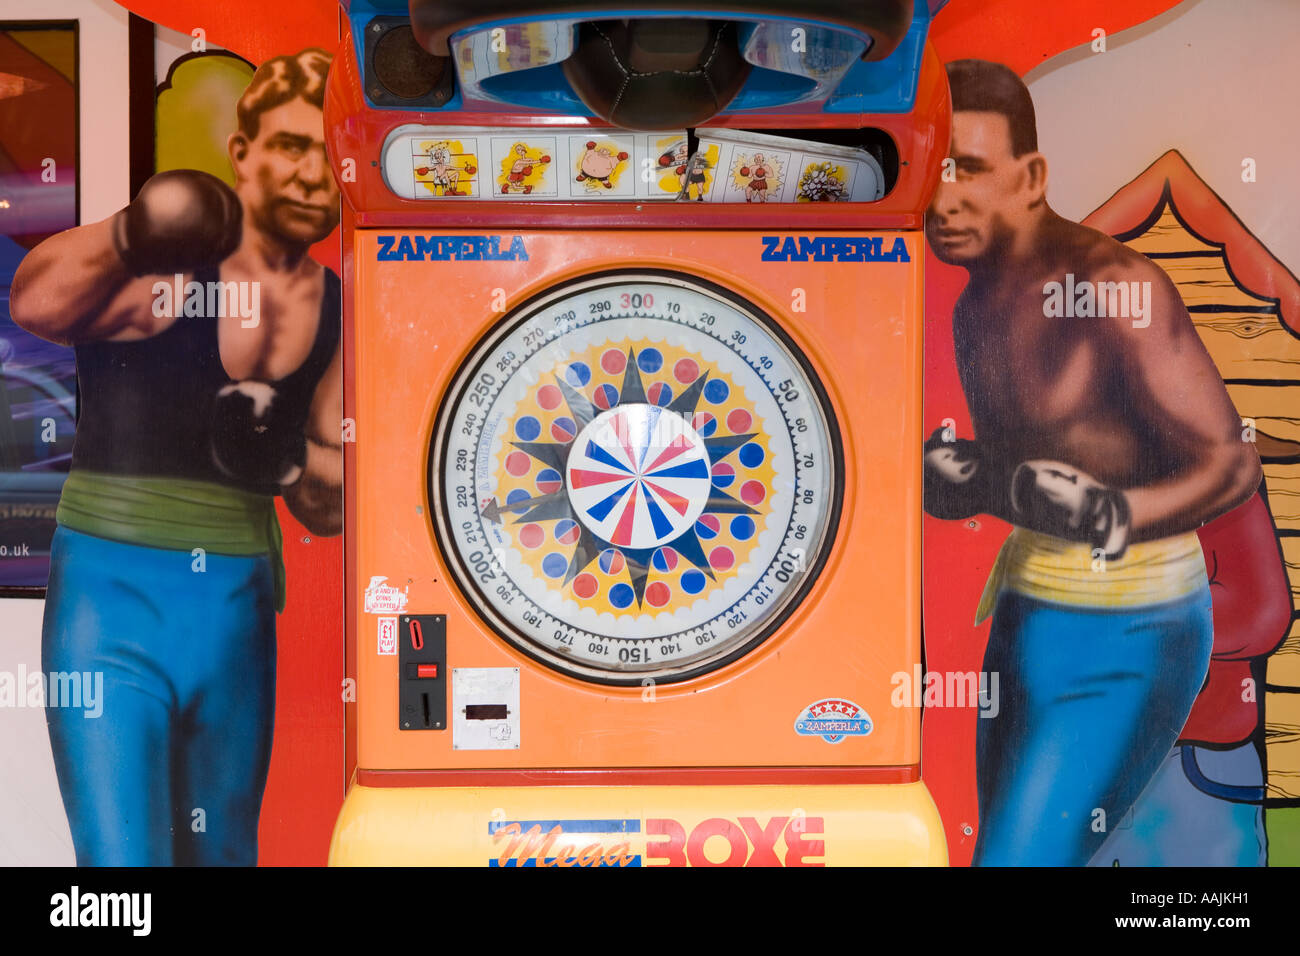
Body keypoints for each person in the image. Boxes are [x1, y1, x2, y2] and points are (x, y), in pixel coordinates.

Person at [923, 59, 1261, 865]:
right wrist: (962, 477)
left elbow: (1230, 460)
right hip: (1027, 614)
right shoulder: (978, 298)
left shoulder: (1113, 282)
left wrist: (1117, 517)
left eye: (967, 168)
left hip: (1132, 630)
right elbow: (1047, 464)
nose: (943, 198)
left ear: (1031, 176)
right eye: (931, 168)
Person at [9, 48, 343, 865]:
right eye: (294, 145)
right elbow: (37, 301)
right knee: (124, 867)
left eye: (333, 153)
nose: (313, 173)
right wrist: (129, 234)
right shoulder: (171, 265)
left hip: (234, 607)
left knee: (223, 852)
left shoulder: (337, 306)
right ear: (243, 155)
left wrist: (290, 461)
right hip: (111, 600)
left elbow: (333, 502)